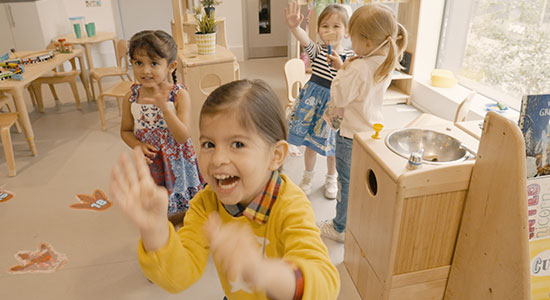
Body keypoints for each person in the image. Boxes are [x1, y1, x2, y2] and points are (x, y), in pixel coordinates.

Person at [110, 79, 340, 300]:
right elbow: (178, 278)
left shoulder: (291, 205)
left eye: (238, 144)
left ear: (275, 155)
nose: (218, 159)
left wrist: (262, 272)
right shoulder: (205, 204)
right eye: (209, 144)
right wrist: (156, 233)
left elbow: (325, 283)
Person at [318, 4, 408, 243]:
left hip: (350, 135)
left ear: (367, 42)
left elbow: (340, 97)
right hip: (372, 130)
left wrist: (342, 72)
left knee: (345, 183)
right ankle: (356, 221)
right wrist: (346, 67)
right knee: (362, 183)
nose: (349, 39)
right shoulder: (386, 60)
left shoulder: (358, 67)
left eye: (353, 36)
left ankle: (339, 228)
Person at [120, 30, 205, 227]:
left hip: (177, 163)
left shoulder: (178, 95)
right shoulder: (131, 97)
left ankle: (187, 233)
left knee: (185, 209)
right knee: (158, 206)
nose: (145, 70)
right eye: (138, 63)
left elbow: (183, 136)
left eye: (154, 63)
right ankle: (163, 234)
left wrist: (166, 109)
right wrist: (137, 145)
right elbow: (125, 131)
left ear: (171, 66)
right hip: (152, 163)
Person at [285, 1, 354, 199]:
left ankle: (331, 178)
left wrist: (341, 66)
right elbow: (304, 39)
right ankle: (307, 177)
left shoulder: (350, 57)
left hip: (335, 106)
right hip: (312, 104)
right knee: (310, 144)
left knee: (332, 146)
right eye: (325, 26)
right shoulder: (317, 52)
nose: (330, 30)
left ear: (346, 32)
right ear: (319, 31)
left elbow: (350, 81)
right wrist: (294, 27)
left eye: (336, 26)